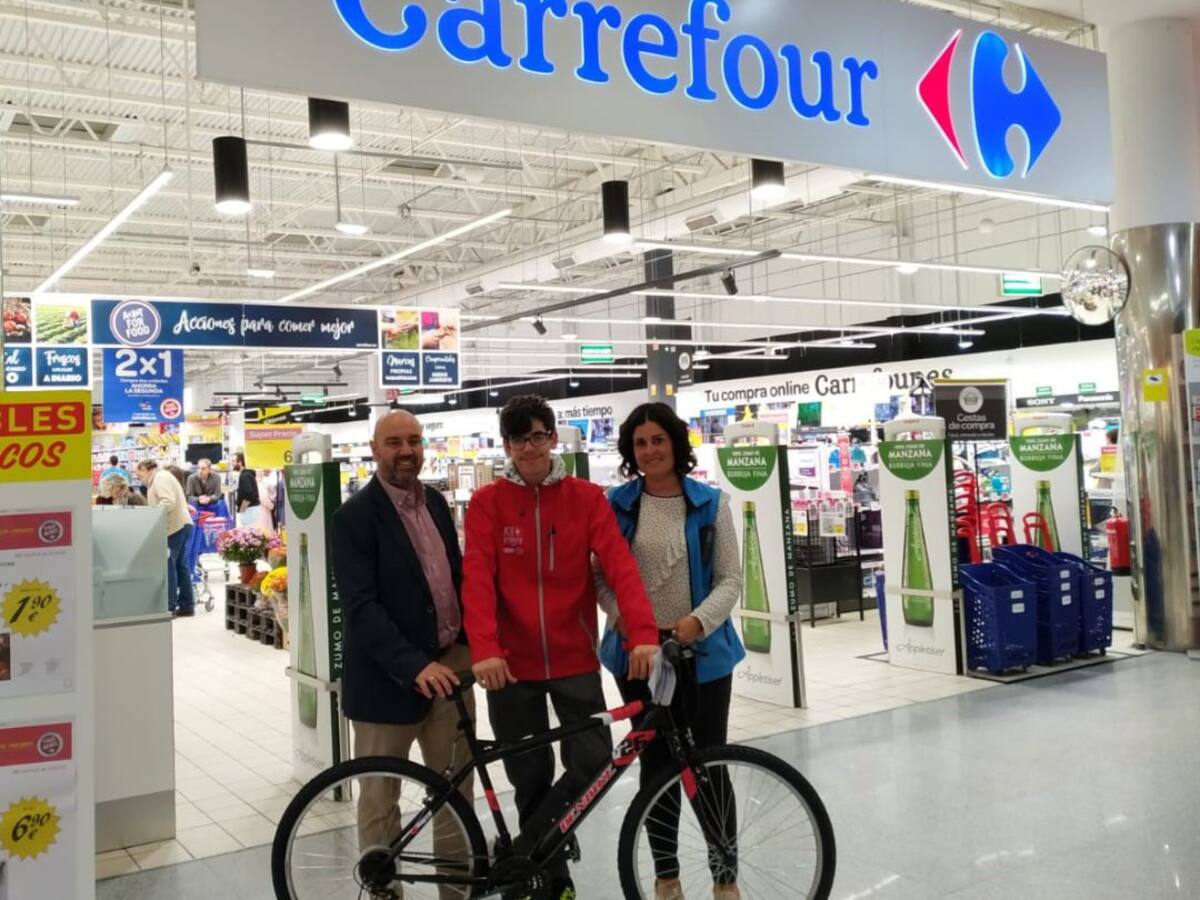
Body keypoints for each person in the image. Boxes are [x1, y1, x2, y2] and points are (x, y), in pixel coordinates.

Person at [463, 395, 659, 900]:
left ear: (552, 438)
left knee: (593, 762)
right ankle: (548, 879)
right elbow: (477, 580)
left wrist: (642, 633)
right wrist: (485, 647)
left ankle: (525, 851)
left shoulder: (586, 499)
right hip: (510, 667)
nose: (529, 448)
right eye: (518, 439)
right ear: (506, 446)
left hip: (575, 659)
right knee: (529, 775)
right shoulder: (487, 503)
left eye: (537, 436)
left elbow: (619, 566)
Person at [596, 402, 746, 900]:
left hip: (701, 656)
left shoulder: (710, 503)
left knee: (707, 765)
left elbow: (730, 579)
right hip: (638, 657)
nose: (649, 451)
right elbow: (601, 579)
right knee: (657, 767)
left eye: (658, 440)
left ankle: (725, 876)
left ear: (676, 444)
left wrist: (695, 624)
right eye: (640, 443)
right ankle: (666, 878)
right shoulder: (618, 505)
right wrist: (626, 622)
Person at [331, 411, 473, 900]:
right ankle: (384, 892)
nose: (406, 451)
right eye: (394, 442)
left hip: (450, 670)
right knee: (379, 800)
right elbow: (361, 606)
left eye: (414, 440)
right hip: (385, 683)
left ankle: (457, 891)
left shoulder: (436, 503)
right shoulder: (353, 517)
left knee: (455, 794)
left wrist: (468, 644)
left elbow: (453, 579)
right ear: (375, 449)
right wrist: (414, 665)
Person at [136, 459, 195, 617]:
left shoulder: (160, 478)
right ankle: (187, 605)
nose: (139, 478)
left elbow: (168, 501)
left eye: (139, 474)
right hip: (181, 524)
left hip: (174, 528)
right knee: (181, 567)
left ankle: (170, 606)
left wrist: (153, 514)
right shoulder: (161, 477)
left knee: (169, 566)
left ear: (147, 469)